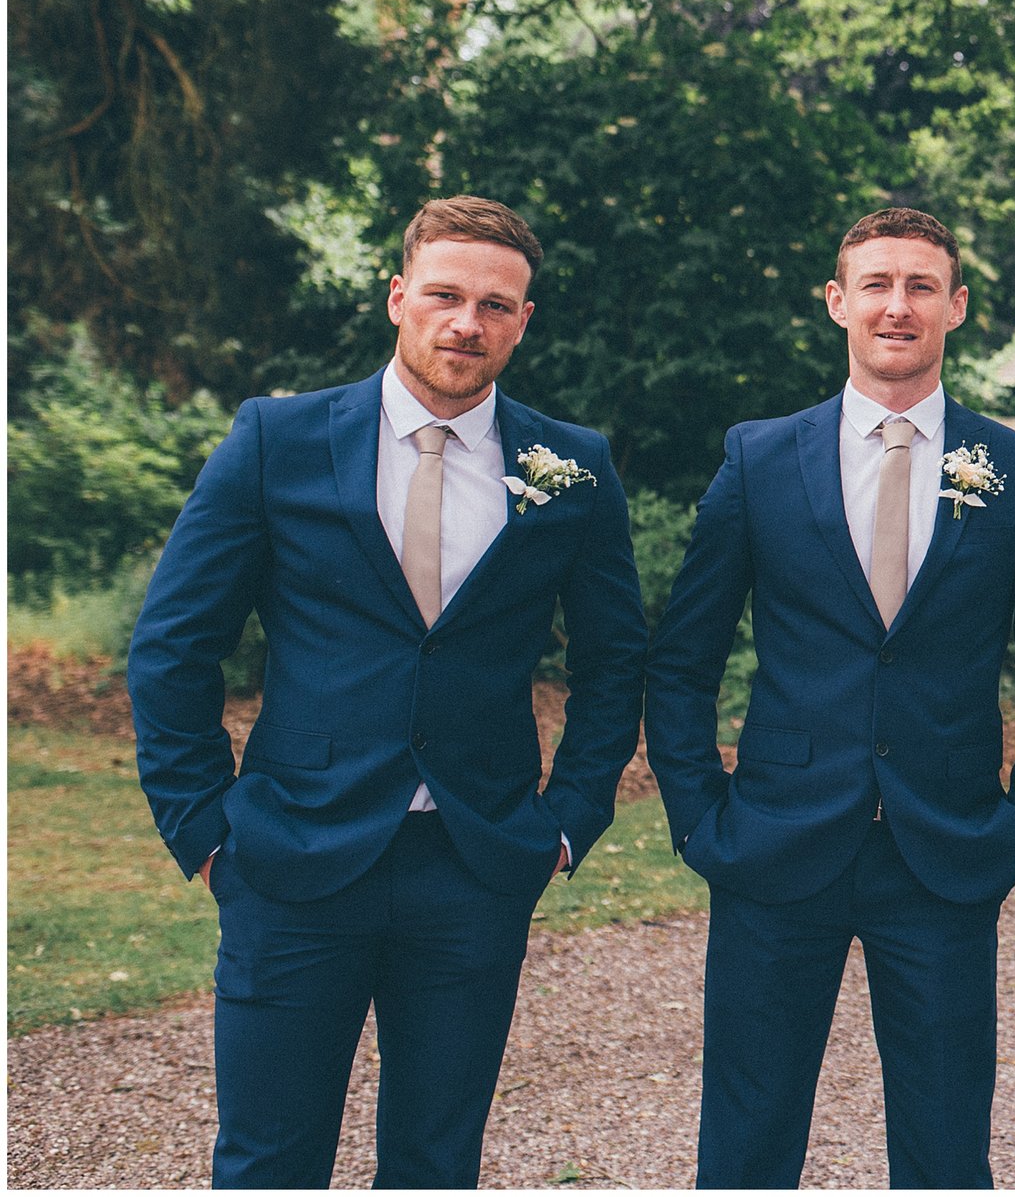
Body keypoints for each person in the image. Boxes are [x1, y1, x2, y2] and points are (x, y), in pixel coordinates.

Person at [126, 196, 647, 1188]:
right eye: (445, 295)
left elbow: (615, 660)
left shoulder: (570, 466)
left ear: (524, 321)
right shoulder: (277, 440)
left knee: (436, 1162)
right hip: (290, 859)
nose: (467, 322)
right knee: (267, 1161)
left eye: (497, 305)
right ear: (399, 297)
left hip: (477, 862)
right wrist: (201, 826)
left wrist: (569, 820)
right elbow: (172, 645)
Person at [642, 206, 1015, 1189]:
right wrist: (700, 819)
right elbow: (680, 662)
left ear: (956, 306)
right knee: (748, 1140)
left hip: (944, 853)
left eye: (922, 285)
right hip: (773, 845)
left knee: (944, 1142)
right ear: (837, 302)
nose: (898, 304)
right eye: (876, 283)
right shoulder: (759, 459)